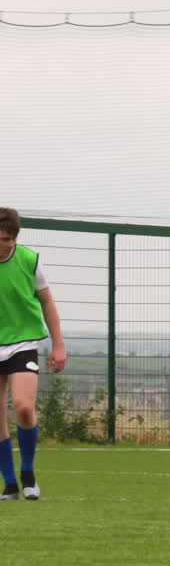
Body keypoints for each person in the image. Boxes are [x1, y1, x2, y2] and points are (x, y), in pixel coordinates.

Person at [0, 207, 66, 501]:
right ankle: (10, 484)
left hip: (23, 342)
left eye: (8, 239)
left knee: (23, 406)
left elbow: (48, 304)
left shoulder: (29, 260)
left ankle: (28, 473)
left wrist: (59, 345)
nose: (3, 244)